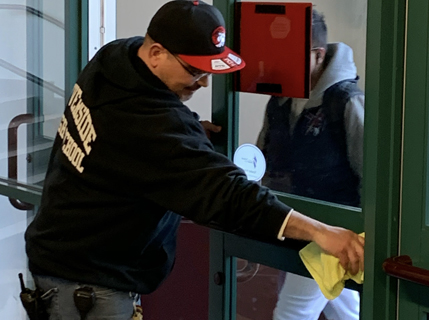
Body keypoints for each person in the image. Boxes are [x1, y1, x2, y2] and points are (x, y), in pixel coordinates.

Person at [24, 1, 364, 319]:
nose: (204, 82)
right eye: (194, 70)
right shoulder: (150, 126)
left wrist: (187, 134)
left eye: (210, 70)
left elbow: (131, 141)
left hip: (62, 264)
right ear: (156, 53)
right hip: (91, 290)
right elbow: (228, 194)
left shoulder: (115, 59)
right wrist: (319, 231)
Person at [257, 9, 364, 320]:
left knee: (292, 312)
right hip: (293, 222)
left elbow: (368, 174)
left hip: (333, 228)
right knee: (344, 309)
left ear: (317, 55)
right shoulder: (278, 100)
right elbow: (263, 157)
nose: (279, 64)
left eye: (289, 56)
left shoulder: (346, 101)